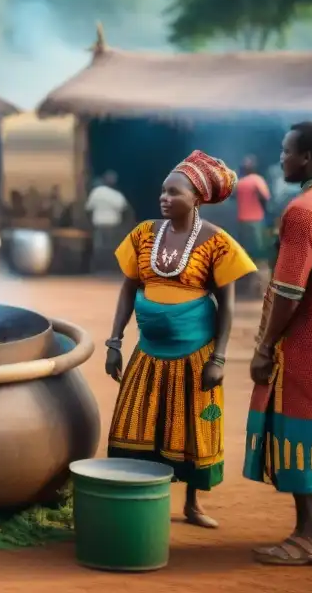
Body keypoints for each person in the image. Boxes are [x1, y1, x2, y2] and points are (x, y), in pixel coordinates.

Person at [106, 151, 256, 529]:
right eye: (163, 191)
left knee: (189, 426)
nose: (165, 198)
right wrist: (114, 342)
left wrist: (219, 358)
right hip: (148, 354)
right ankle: (142, 500)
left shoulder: (218, 243)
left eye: (174, 192)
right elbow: (128, 290)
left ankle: (191, 504)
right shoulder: (143, 234)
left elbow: (227, 307)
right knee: (139, 422)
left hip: (195, 356)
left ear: (197, 198)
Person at [245, 122, 312, 566]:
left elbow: (287, 291)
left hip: (307, 345)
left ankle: (306, 537)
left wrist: (266, 347)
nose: (281, 158)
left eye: (286, 151)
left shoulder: (304, 210)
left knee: (298, 434)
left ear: (305, 158)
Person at [86, 171, 129, 273]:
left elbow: (88, 209)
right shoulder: (117, 195)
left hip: (99, 225)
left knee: (99, 248)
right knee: (111, 249)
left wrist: (90, 223)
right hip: (112, 225)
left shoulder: (96, 192)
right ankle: (110, 271)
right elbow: (125, 210)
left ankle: (99, 270)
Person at [236, 156, 271, 264]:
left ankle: (247, 271)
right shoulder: (257, 179)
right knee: (259, 248)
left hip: (242, 219)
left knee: (245, 248)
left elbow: (233, 197)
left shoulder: (239, 182)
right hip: (256, 219)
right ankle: (258, 272)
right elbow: (266, 197)